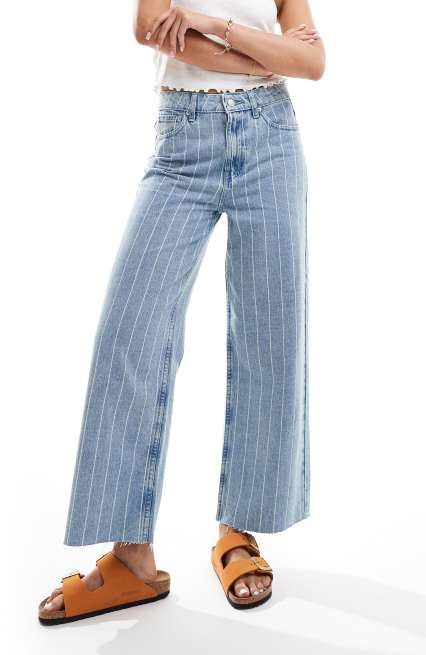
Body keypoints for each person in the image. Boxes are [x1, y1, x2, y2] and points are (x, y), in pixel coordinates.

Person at [38, 0, 325, 624]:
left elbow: (312, 62)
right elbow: (150, 30)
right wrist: (265, 53)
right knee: (130, 334)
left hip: (272, 138)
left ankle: (239, 532)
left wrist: (209, 25)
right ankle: (132, 559)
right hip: (182, 145)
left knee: (269, 337)